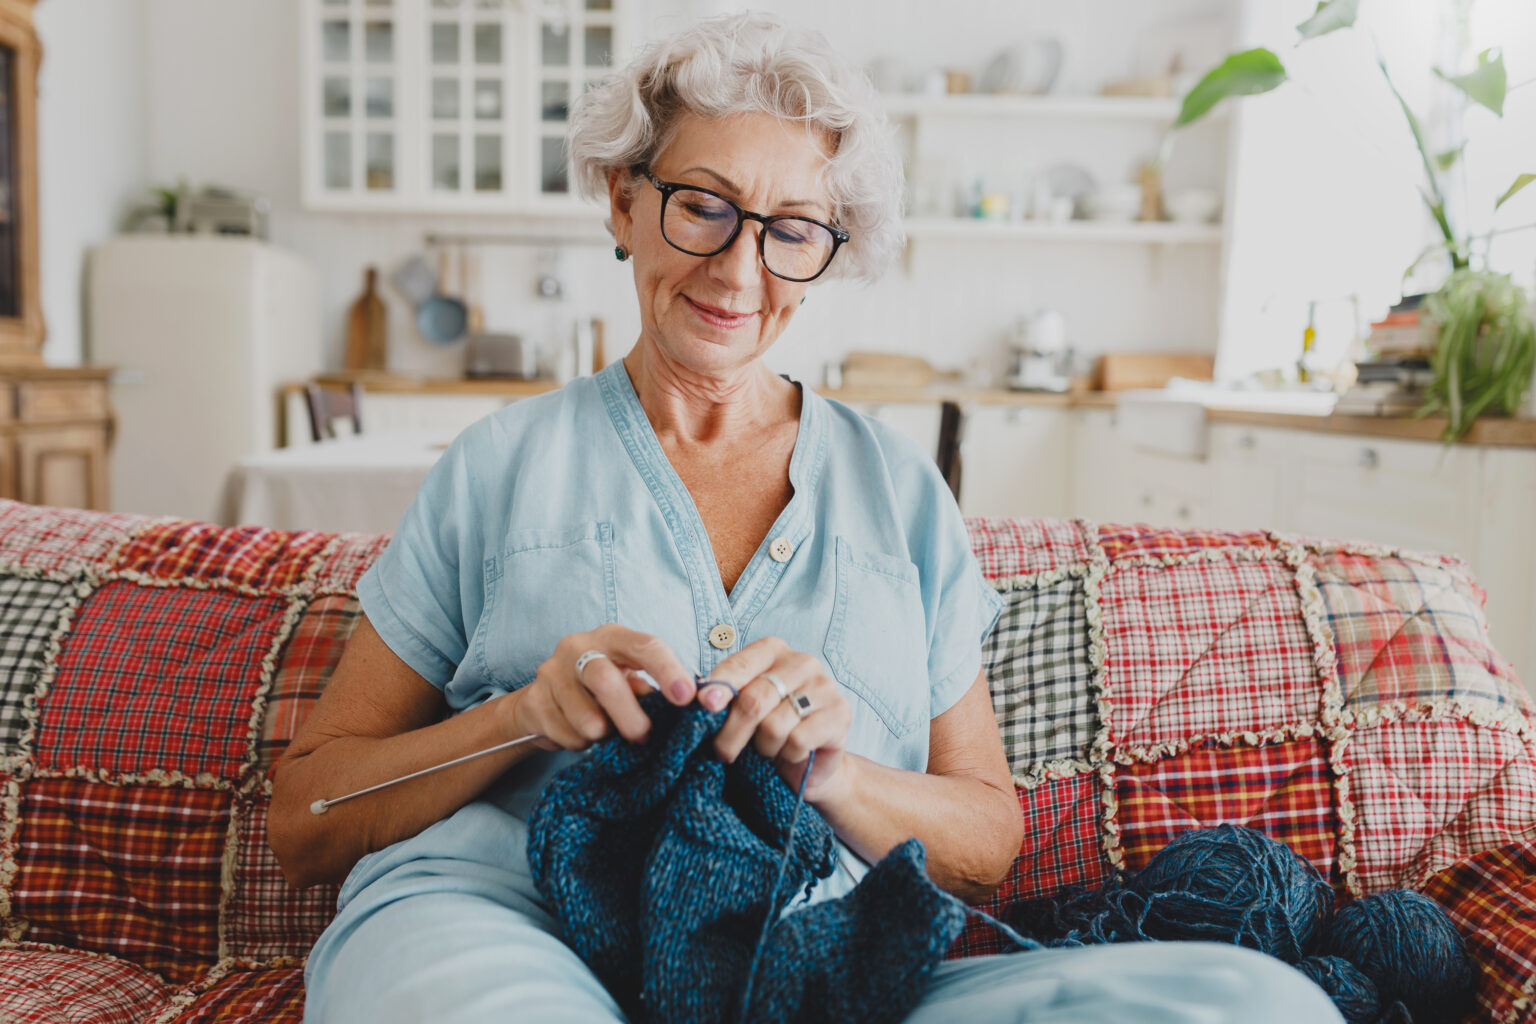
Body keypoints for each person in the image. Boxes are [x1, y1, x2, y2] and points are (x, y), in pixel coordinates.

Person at [270, 13, 1343, 1024]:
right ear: (621, 200)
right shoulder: (500, 464)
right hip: (510, 923)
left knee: (1262, 1004)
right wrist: (517, 719)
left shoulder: (902, 492)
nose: (741, 270)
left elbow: (987, 840)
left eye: (793, 230)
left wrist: (840, 776)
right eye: (703, 205)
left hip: (810, 957)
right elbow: (305, 815)